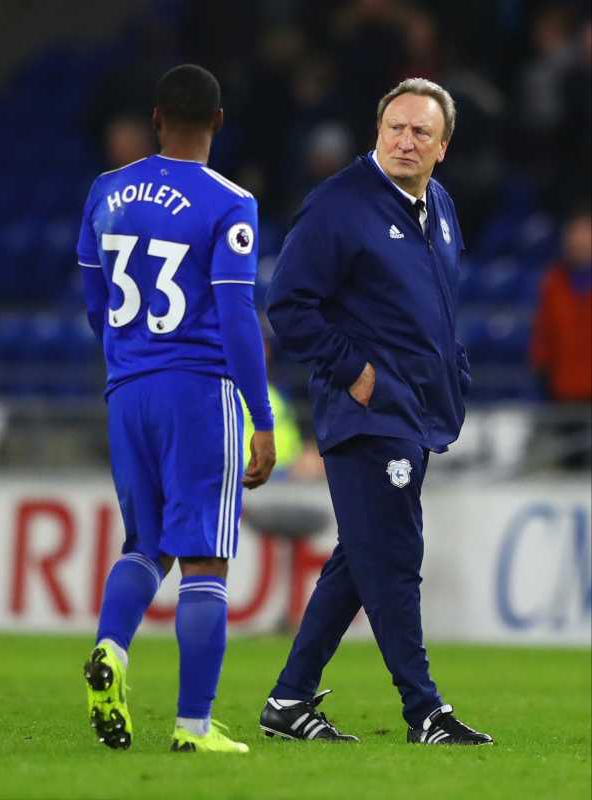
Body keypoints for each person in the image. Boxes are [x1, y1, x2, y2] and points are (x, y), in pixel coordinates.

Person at [261, 78, 493, 745]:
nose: (404, 140)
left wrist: (453, 370)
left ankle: (287, 701)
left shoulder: (439, 205)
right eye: (394, 126)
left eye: (420, 132)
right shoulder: (338, 205)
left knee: (362, 556)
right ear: (377, 131)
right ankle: (424, 710)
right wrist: (355, 373)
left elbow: (437, 303)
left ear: (441, 147)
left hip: (416, 408)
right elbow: (288, 306)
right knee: (391, 555)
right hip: (367, 412)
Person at [77, 64, 276, 754]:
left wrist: (126, 359)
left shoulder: (105, 191)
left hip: (127, 388)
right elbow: (236, 312)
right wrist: (263, 418)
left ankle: (111, 647)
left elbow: (94, 300)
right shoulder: (230, 202)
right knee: (204, 562)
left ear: (157, 116)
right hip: (197, 389)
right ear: (218, 122)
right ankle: (194, 725)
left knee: (145, 544)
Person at [531, 207, 592, 468]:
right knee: (571, 470)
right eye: (573, 234)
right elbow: (543, 334)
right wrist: (542, 371)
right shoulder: (553, 282)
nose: (577, 241)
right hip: (563, 394)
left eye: (584, 234)